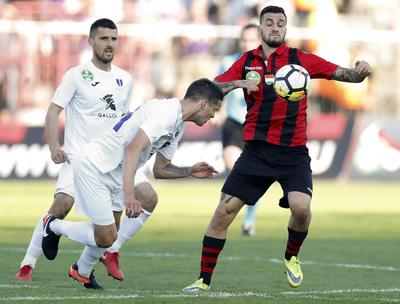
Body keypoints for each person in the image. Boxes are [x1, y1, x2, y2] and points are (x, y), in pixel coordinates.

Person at [183, 5, 372, 291]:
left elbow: (343, 75)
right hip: (256, 152)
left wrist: (360, 71)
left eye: (279, 23)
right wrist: (239, 83)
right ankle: (202, 281)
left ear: (285, 29)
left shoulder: (300, 60)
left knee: (301, 208)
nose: (274, 27)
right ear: (259, 29)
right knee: (222, 213)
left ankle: (291, 257)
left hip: (292, 153)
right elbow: (213, 87)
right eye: (268, 22)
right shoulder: (246, 61)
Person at [41, 78, 223, 289]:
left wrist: (189, 171)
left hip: (118, 171)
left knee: (112, 231)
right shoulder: (165, 114)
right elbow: (132, 149)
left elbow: (160, 170)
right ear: (203, 104)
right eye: (214, 109)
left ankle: (81, 270)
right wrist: (129, 196)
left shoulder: (178, 125)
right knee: (107, 237)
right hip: (95, 166)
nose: (213, 116)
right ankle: (53, 225)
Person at [15, 18, 157, 282]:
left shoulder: (124, 79)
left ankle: (106, 253)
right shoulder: (76, 75)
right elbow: (53, 111)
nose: (110, 44)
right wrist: (55, 146)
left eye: (114, 39)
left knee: (146, 198)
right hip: (79, 158)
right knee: (61, 205)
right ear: (91, 42)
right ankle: (28, 263)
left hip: (113, 159)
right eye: (104, 39)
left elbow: (123, 121)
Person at [218, 23, 261, 237]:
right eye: (245, 40)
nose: (247, 44)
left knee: (253, 176)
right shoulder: (228, 62)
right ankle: (224, 213)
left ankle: (248, 221)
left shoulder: (267, 67)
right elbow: (218, 88)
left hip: (258, 126)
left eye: (252, 40)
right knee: (234, 168)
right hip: (234, 124)